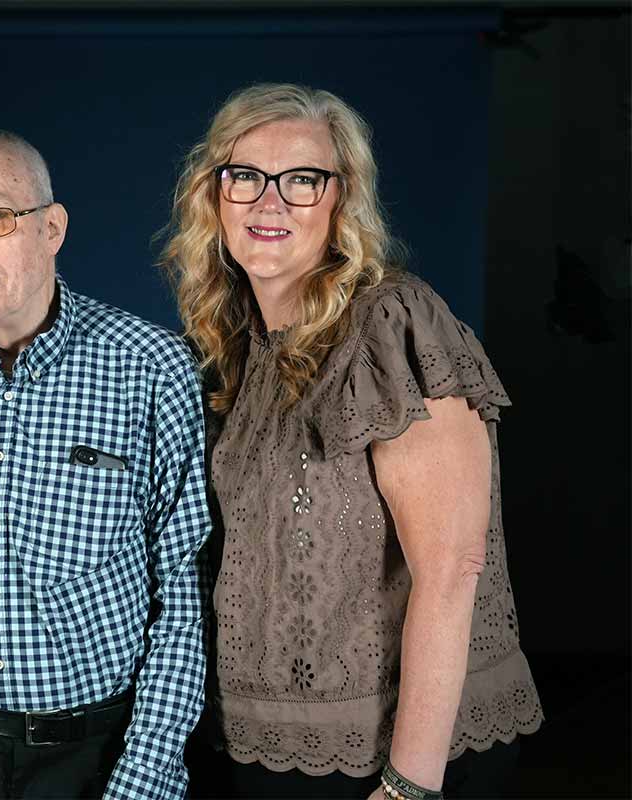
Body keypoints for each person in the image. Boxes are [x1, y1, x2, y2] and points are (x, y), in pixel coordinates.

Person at [162, 84, 543, 799]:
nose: (268, 203)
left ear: (343, 201)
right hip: (262, 752)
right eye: (244, 176)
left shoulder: (392, 325)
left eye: (302, 180)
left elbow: (454, 566)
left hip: (396, 761)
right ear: (214, 196)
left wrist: (407, 786)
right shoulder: (234, 347)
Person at [0, 128, 211, 800]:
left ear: (52, 228)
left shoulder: (153, 367)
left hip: (95, 762)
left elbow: (184, 603)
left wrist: (141, 783)